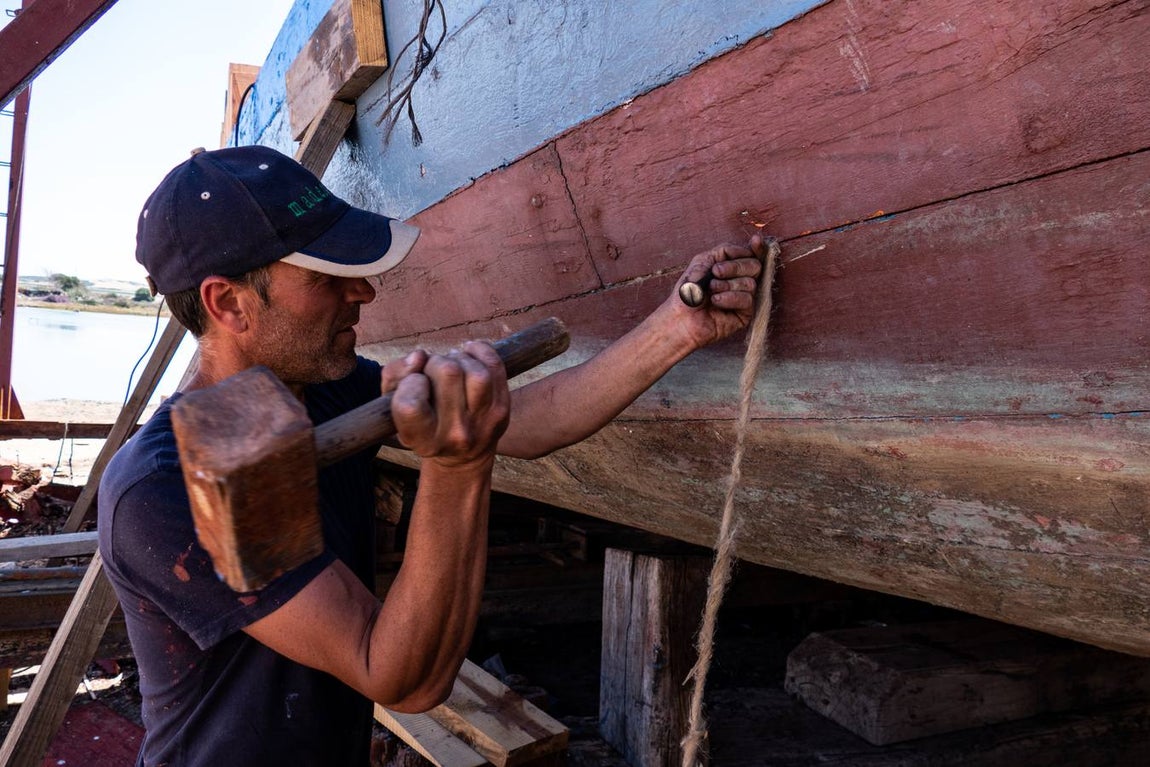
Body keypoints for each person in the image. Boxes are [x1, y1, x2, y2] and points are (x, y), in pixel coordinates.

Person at [97, 145, 764, 766]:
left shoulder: (316, 393)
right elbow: (397, 673)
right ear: (229, 303)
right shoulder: (164, 486)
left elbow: (532, 423)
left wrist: (679, 325)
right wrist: (457, 467)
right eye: (328, 275)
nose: (364, 291)